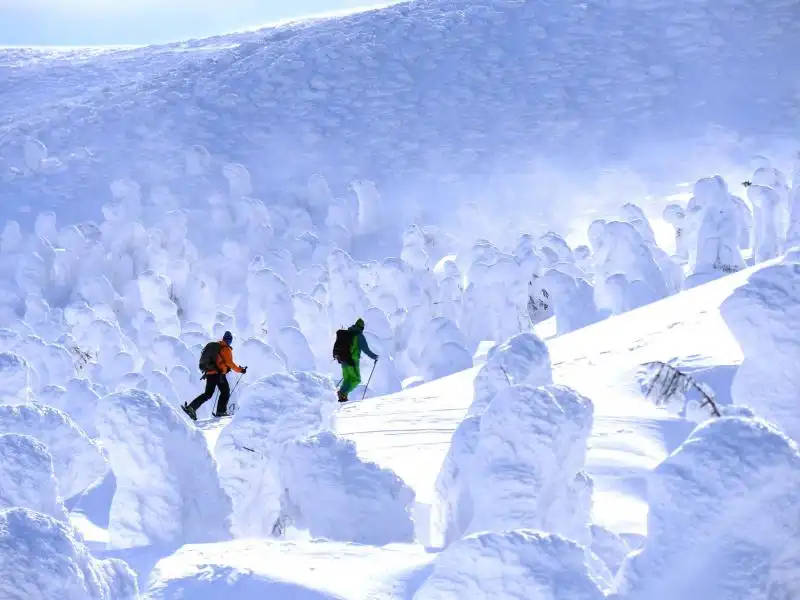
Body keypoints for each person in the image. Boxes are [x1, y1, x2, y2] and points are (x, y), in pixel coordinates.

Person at [182, 331, 246, 420]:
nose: (228, 341)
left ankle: (191, 407)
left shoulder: (217, 346)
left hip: (210, 374)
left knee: (208, 394)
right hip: (218, 374)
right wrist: (241, 370)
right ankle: (221, 411)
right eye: (229, 340)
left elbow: (221, 362)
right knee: (225, 392)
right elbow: (230, 363)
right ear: (230, 340)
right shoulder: (225, 348)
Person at [337, 318, 378, 403]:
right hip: (352, 361)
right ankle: (343, 393)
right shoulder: (359, 336)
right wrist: (375, 357)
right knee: (356, 379)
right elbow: (366, 350)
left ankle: (342, 396)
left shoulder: (348, 333)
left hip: (343, 360)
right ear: (362, 327)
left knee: (347, 379)